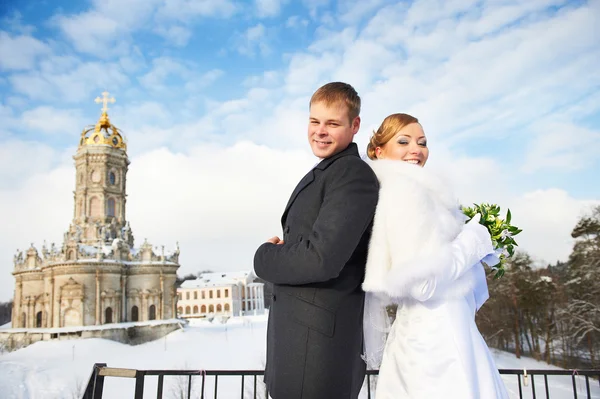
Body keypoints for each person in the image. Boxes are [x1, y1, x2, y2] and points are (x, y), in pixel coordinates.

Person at [362, 113, 509, 398]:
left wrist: (484, 249)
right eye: (403, 141)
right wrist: (475, 239)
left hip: (435, 333)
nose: (416, 149)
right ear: (380, 151)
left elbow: (434, 261)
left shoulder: (411, 191)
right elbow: (422, 284)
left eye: (422, 142)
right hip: (439, 345)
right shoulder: (405, 190)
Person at [254, 82, 379, 399]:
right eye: (314, 121)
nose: (320, 132)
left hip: (318, 354)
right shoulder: (329, 171)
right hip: (298, 347)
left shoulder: (352, 174)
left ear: (355, 126)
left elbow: (320, 259)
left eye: (332, 124)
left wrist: (264, 257)